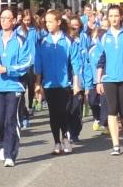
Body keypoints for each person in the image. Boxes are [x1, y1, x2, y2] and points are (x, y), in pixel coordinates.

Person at [0, 9, 31, 167]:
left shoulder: (21, 40)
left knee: (10, 120)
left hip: (14, 85)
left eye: (8, 18)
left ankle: (10, 154)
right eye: (2, 18)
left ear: (14, 21)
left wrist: (8, 69)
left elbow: (26, 63)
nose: (5, 21)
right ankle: (2, 143)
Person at [35, 10, 81, 154]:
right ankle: (56, 141)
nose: (47, 24)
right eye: (46, 22)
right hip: (49, 84)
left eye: (50, 21)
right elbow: (38, 64)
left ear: (58, 22)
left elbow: (75, 63)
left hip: (64, 84)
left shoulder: (68, 41)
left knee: (64, 112)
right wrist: (38, 84)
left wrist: (76, 83)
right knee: (53, 114)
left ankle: (65, 138)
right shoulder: (42, 42)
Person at [96, 4, 123, 155]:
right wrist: (99, 80)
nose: (113, 19)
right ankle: (115, 145)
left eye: (116, 16)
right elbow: (101, 60)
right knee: (112, 110)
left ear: (121, 17)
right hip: (109, 79)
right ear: (107, 17)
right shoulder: (103, 37)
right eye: (111, 16)